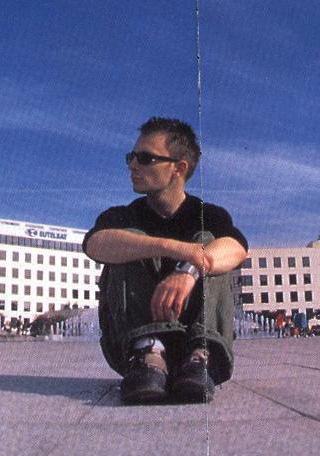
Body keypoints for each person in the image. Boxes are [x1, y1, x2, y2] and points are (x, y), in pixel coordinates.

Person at [83, 117, 248, 404]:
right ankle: (148, 353)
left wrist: (189, 269)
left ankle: (201, 355)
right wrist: (177, 249)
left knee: (210, 242)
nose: (133, 165)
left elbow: (236, 249)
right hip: (132, 349)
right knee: (128, 239)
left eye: (145, 158)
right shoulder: (121, 216)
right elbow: (95, 244)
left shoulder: (210, 214)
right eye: (131, 157)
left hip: (196, 341)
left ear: (178, 168)